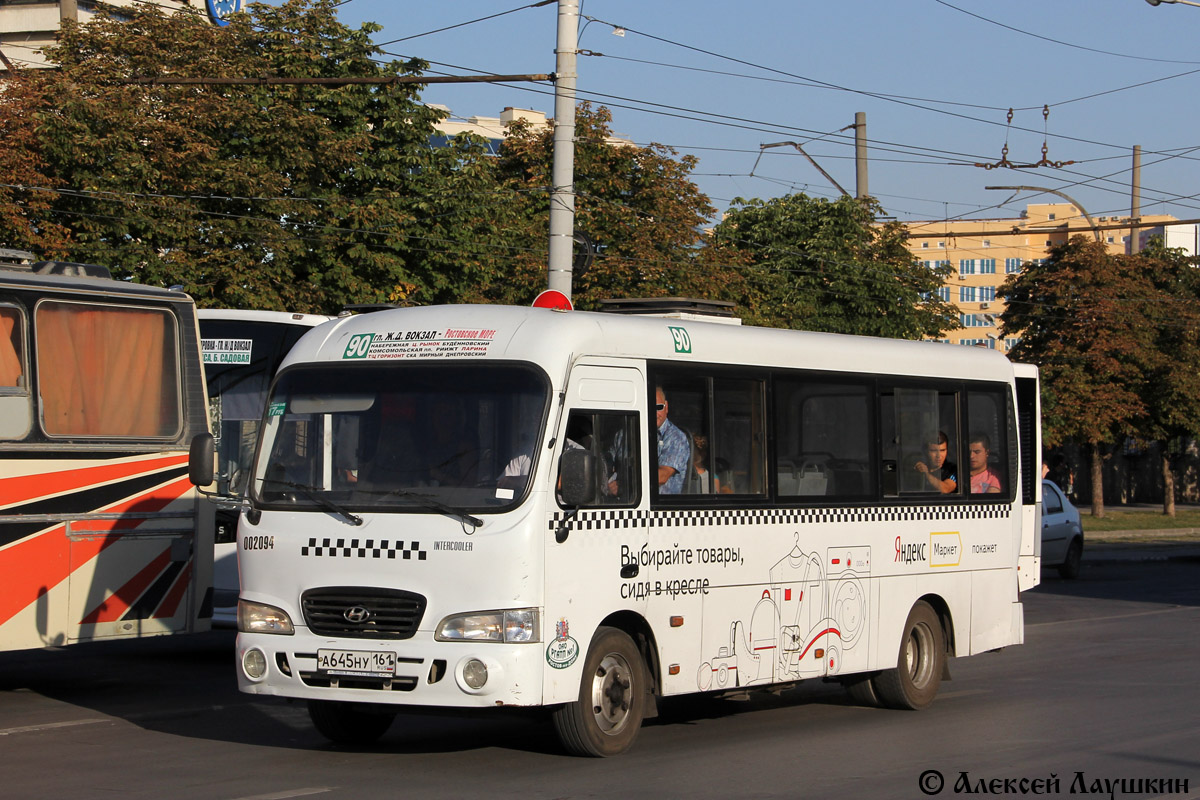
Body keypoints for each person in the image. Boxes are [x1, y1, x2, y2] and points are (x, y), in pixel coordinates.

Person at [654, 386, 690, 494]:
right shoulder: (623, 434)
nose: (654, 413)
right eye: (648, 407)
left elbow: (662, 477)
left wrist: (626, 483)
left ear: (666, 407)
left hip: (661, 508)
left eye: (658, 407)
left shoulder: (677, 438)